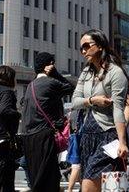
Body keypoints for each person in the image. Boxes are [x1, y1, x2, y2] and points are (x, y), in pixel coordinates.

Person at [72, 29, 129, 192]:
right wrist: (92, 100)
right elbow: (75, 101)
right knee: (94, 185)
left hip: (109, 136)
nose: (83, 51)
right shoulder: (86, 72)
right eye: (81, 48)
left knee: (88, 185)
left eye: (86, 46)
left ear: (100, 46)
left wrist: (122, 142)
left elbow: (119, 108)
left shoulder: (116, 73)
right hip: (87, 135)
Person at [21, 52, 75, 192]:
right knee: (49, 178)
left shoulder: (30, 85)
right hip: (44, 136)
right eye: (52, 63)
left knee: (37, 177)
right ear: (48, 66)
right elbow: (70, 88)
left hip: (29, 137)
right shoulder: (50, 83)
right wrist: (56, 73)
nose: (54, 66)